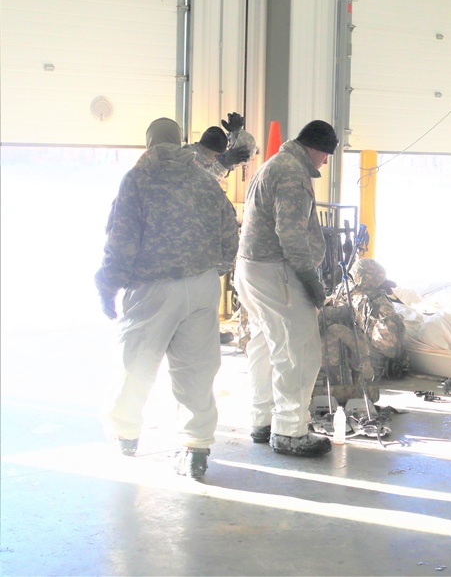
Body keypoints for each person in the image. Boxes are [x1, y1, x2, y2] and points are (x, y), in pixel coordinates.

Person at [95, 117, 239, 479]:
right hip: (203, 285)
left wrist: (108, 284)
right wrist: (214, 268)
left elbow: (121, 239)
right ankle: (196, 448)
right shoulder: (204, 179)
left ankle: (126, 434)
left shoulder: (138, 179)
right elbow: (229, 227)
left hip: (152, 286)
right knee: (197, 367)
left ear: (149, 143)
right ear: (180, 142)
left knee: (137, 364)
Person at [234, 120, 338, 457]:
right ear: (318, 149)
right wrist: (312, 282)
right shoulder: (293, 174)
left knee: (266, 345)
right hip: (276, 272)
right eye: (326, 156)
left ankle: (263, 420)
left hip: (252, 268)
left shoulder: (273, 165)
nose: (324, 163)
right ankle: (291, 431)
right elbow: (291, 236)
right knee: (299, 352)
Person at [183, 125, 251, 182]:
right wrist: (223, 164)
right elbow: (203, 184)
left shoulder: (210, 159)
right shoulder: (187, 158)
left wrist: (237, 133)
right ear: (216, 154)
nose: (219, 159)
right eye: (218, 157)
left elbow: (246, 154)